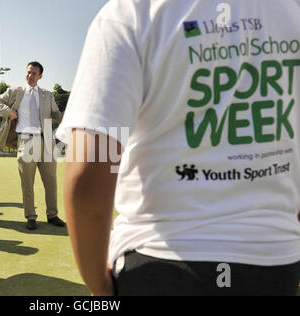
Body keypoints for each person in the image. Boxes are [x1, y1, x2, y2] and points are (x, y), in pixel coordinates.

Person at [56, 0, 300, 296]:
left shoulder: (130, 13)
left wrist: (100, 285)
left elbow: (87, 175)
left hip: (159, 263)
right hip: (276, 265)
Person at [0, 62, 66, 230]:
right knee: (27, 182)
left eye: (34, 73)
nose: (31, 75)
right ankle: (30, 216)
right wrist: (7, 112)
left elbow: (55, 114)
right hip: (25, 140)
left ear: (40, 76)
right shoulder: (15, 92)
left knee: (51, 182)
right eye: (29, 72)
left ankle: (52, 215)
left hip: (46, 140)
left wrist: (66, 116)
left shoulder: (47, 94)